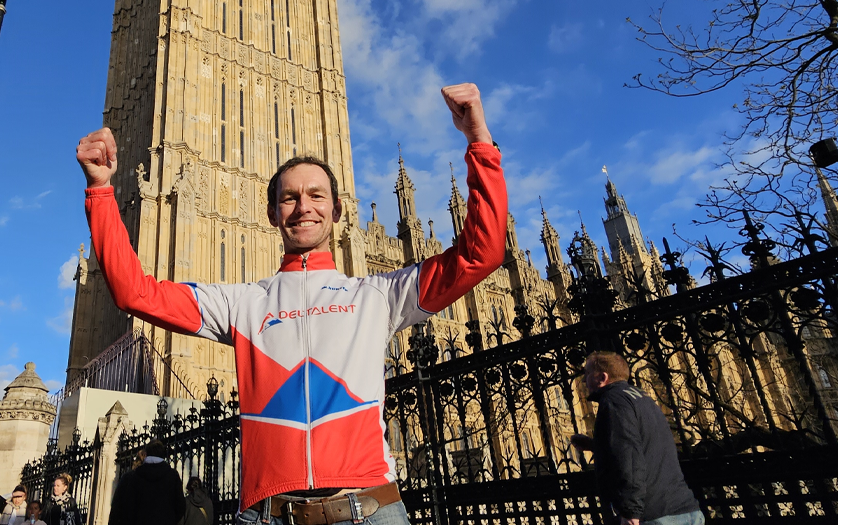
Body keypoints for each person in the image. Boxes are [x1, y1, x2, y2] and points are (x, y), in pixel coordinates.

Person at [76, 83, 507, 525]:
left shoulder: (376, 296)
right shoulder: (242, 303)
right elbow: (135, 293)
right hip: (269, 514)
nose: (304, 207)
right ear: (272, 213)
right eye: (290, 197)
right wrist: (101, 191)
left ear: (337, 210)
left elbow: (482, 255)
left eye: (316, 195)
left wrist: (479, 140)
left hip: (368, 509)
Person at [571, 351, 704, 525]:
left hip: (654, 515)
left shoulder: (613, 401)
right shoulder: (642, 398)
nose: (583, 380)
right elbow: (645, 446)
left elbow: (629, 457)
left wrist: (630, 511)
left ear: (602, 377)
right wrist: (597, 445)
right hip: (684, 508)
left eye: (587, 373)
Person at [106, 440, 185, 525]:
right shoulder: (173, 477)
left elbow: (117, 511)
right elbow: (180, 507)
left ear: (146, 453)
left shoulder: (129, 478)